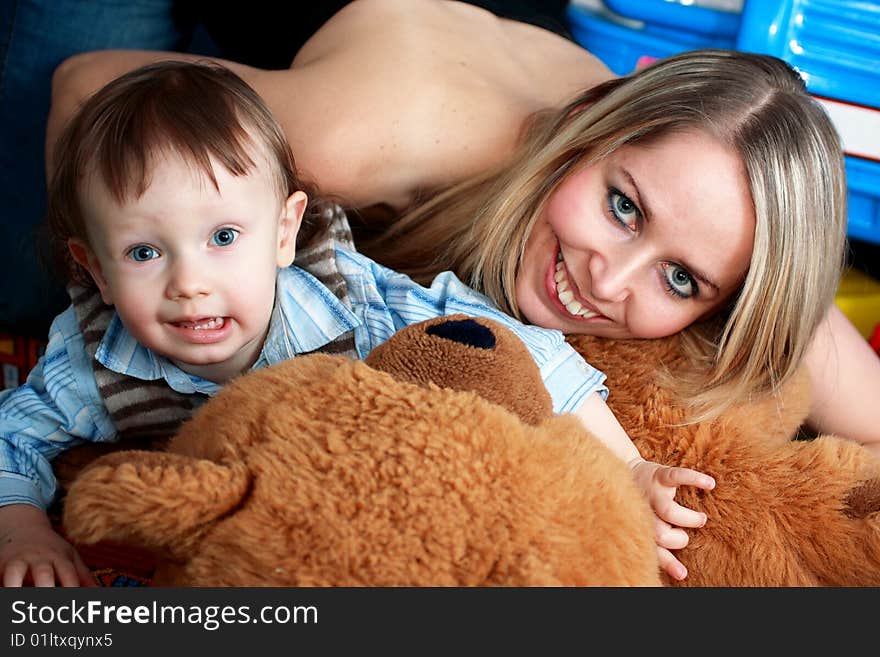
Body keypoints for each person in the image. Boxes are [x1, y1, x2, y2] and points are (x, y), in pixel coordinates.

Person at [46, 0, 880, 458]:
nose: (608, 281)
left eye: (682, 280)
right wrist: (130, 331)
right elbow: (86, 86)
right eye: (624, 207)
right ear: (586, 127)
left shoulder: (720, 201)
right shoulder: (348, 145)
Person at [0, 59, 712, 587]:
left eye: (223, 238)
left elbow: (506, 343)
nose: (190, 283)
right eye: (145, 252)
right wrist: (22, 525)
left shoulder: (351, 303)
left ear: (284, 233)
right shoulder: (96, 354)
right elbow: (14, 434)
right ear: (94, 269)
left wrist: (628, 465)